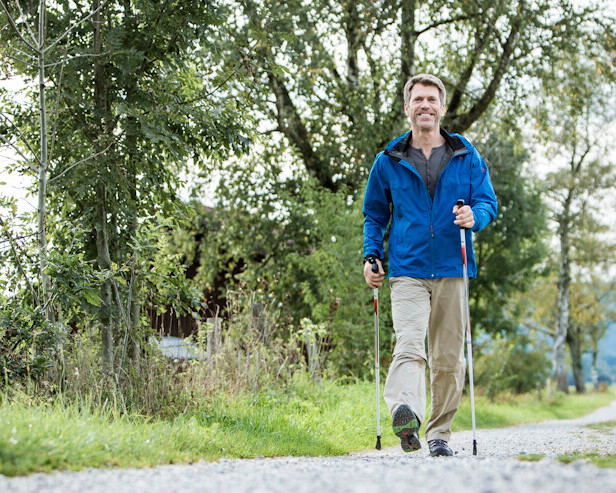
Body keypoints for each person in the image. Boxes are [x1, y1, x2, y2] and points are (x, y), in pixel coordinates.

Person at [362, 74, 497, 457]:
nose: (425, 105)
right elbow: (374, 214)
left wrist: (476, 216)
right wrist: (372, 256)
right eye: (418, 99)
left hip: (455, 267)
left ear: (441, 107)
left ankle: (439, 433)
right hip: (408, 269)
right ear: (407, 108)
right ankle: (407, 413)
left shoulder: (465, 155)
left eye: (431, 99)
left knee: (449, 356)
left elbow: (488, 201)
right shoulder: (388, 161)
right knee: (408, 343)